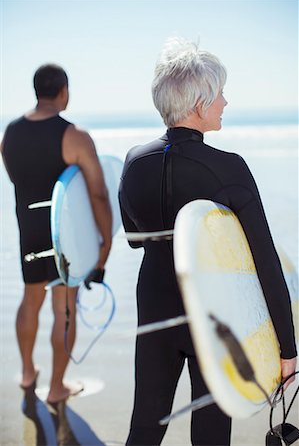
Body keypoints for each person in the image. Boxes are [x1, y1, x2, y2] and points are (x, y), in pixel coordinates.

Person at [119, 38, 297, 445]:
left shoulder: (133, 161)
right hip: (215, 316)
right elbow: (264, 262)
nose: (225, 102)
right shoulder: (228, 169)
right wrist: (287, 349)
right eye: (220, 94)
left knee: (145, 427)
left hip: (155, 310)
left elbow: (133, 239)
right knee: (212, 435)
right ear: (200, 104)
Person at [1, 64, 112, 403]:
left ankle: (27, 372)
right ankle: (56, 387)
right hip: (63, 235)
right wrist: (104, 243)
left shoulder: (10, 133)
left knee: (30, 299)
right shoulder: (74, 135)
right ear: (64, 90)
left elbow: (16, 178)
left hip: (28, 229)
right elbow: (97, 193)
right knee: (64, 306)